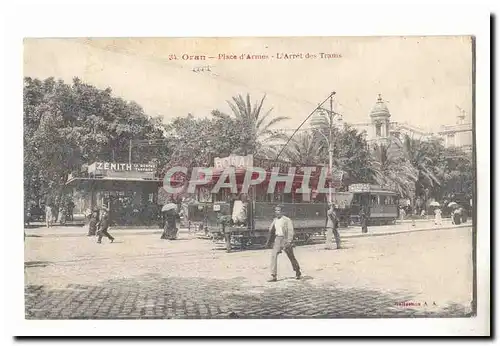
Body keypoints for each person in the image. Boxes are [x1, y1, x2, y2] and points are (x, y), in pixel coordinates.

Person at [265, 205, 301, 282]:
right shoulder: (275, 220)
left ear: (282, 212)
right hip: (277, 239)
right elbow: (271, 230)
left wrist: (289, 241)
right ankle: (273, 275)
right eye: (276, 210)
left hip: (285, 239)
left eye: (278, 210)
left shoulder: (287, 220)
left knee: (291, 256)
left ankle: (297, 271)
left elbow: (290, 231)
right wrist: (269, 241)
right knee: (273, 255)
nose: (277, 212)